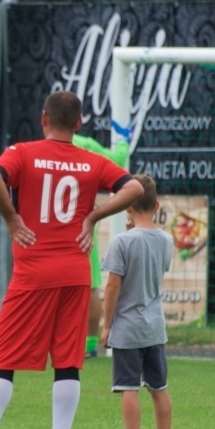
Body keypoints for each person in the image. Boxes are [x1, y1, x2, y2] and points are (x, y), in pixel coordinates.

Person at [0, 91, 143, 429]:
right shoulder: (92, 160)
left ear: (44, 119)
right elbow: (134, 187)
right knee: (68, 359)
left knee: (3, 358)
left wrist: (11, 217)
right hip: (75, 271)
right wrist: (93, 217)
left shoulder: (23, 153)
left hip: (33, 271)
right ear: (79, 123)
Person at [101, 174, 174, 429]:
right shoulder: (165, 240)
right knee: (159, 388)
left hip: (127, 327)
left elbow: (113, 285)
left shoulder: (121, 241)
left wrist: (107, 325)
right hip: (154, 327)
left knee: (128, 387)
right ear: (157, 205)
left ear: (127, 206)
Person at [72, 129, 130, 357]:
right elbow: (117, 160)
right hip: (83, 219)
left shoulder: (43, 148)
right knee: (90, 284)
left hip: (51, 222)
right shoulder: (85, 144)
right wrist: (124, 141)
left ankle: (51, 341)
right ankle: (89, 345)